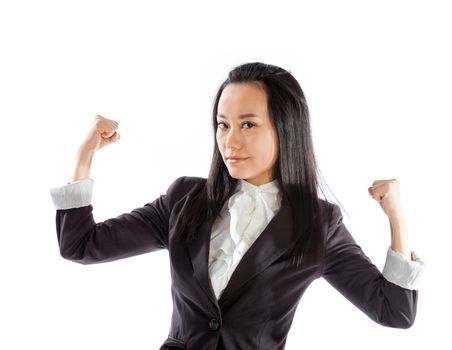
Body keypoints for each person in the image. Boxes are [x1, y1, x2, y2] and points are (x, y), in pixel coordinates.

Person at [49, 62, 425, 350]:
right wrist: (84, 156)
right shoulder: (184, 200)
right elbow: (80, 246)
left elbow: (394, 311)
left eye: (248, 125)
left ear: (285, 128)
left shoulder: (318, 224)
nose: (230, 141)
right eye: (222, 124)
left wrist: (397, 219)